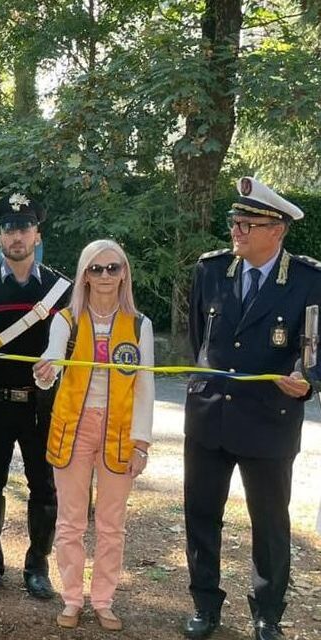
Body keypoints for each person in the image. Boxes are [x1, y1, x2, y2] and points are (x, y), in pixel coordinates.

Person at [181, 177, 321, 640]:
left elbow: (315, 352)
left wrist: (307, 381)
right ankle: (205, 605)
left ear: (277, 231)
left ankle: (267, 613)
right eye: (234, 221)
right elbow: (200, 339)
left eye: (248, 223)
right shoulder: (211, 271)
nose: (236, 231)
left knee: (270, 523)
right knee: (201, 515)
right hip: (209, 419)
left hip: (269, 421)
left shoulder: (307, 280)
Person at [31, 239, 154, 630]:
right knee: (70, 522)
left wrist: (142, 443)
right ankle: (71, 598)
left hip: (119, 432)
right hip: (72, 428)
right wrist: (44, 372)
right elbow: (50, 366)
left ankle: (103, 600)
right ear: (84, 274)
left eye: (112, 268)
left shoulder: (139, 325)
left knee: (111, 524)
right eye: (95, 269)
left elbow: (146, 387)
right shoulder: (65, 320)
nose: (104, 276)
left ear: (124, 274)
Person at [0, 192, 71, 599]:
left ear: (37, 233)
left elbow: (74, 347)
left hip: (44, 408)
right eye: (9, 228)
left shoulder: (62, 290)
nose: (17, 235)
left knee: (44, 487)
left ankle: (37, 565)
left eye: (24, 227)